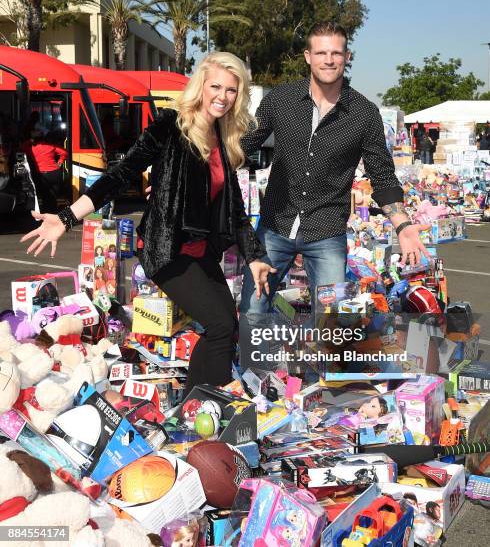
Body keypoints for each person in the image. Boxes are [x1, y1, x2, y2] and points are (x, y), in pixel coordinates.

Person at [20, 52, 275, 394]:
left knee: (227, 325)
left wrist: (255, 257)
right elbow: (120, 175)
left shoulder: (223, 139)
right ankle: (196, 406)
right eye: (215, 86)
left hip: (200, 253)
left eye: (231, 90)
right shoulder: (170, 127)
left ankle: (207, 398)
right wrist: (67, 218)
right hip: (166, 250)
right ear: (200, 85)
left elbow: (236, 211)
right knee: (220, 323)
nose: (222, 96)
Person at [239, 21, 430, 316]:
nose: (328, 60)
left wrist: (402, 226)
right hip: (275, 226)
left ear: (347, 56)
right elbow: (241, 146)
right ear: (307, 56)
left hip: (327, 232)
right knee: (253, 309)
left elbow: (382, 174)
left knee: (331, 325)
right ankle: (255, 363)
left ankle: (322, 363)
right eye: (321, 53)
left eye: (336, 53)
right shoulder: (280, 100)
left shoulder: (365, 113)